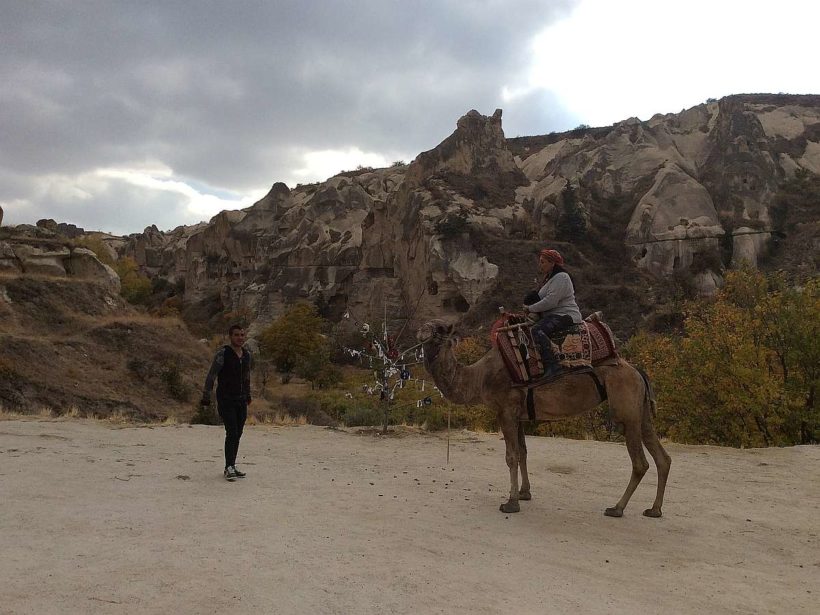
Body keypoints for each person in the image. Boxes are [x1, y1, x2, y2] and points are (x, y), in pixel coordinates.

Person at [201, 324, 253, 481]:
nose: (240, 338)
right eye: (237, 335)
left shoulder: (246, 355)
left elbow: (246, 377)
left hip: (241, 399)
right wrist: (206, 396)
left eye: (242, 335)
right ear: (230, 336)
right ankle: (228, 467)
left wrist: (248, 394)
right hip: (226, 399)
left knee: (238, 433)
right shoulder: (223, 354)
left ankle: (232, 465)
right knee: (231, 432)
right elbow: (211, 375)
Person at [523, 249, 582, 379]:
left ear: (552, 263)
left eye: (543, 262)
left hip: (564, 315)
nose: (540, 265)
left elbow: (551, 301)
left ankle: (553, 366)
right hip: (553, 315)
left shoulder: (562, 277)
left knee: (537, 331)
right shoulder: (550, 279)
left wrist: (530, 308)